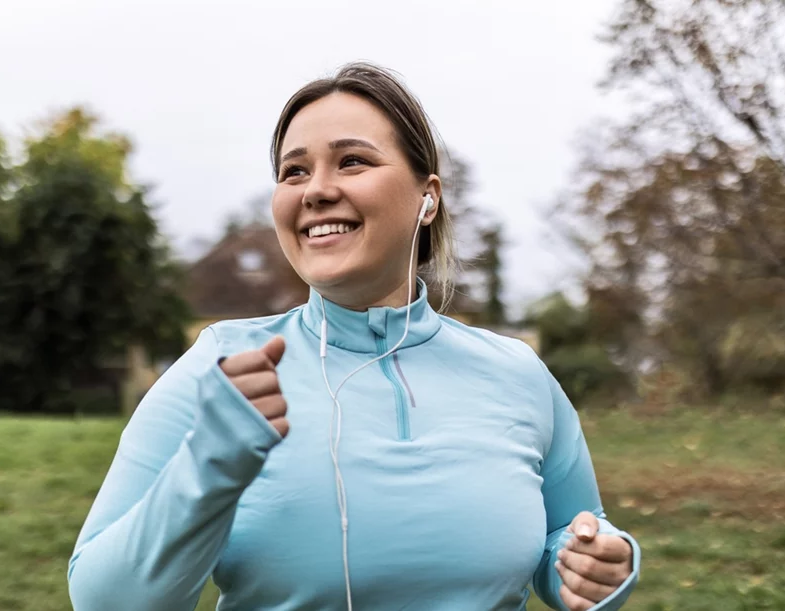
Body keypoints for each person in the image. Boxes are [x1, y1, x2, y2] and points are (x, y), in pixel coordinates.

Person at [67, 62, 641, 611]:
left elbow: (569, 530)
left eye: (352, 162)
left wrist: (591, 560)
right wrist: (206, 468)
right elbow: (105, 600)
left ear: (428, 196)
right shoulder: (223, 366)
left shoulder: (517, 374)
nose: (315, 190)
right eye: (294, 171)